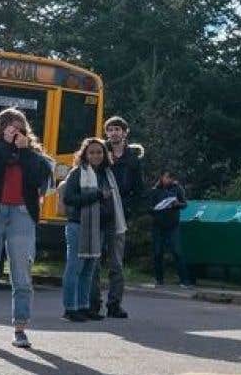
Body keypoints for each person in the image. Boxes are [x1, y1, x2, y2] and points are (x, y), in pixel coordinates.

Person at [0, 108, 54, 349]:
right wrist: (5, 145)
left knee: (22, 275)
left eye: (20, 129)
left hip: (22, 214)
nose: (16, 132)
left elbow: (39, 177)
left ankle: (20, 329)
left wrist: (24, 150)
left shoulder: (34, 154)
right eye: (10, 128)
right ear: (1, 129)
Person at [58, 137, 125, 322]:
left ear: (105, 154)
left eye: (99, 152)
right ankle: (70, 308)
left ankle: (84, 306)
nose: (96, 155)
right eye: (92, 152)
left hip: (98, 228)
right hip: (78, 226)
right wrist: (96, 194)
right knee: (75, 268)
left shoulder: (107, 175)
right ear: (85, 155)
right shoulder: (77, 173)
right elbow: (69, 199)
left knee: (89, 269)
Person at [91, 115, 144, 319]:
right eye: (110, 129)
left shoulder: (133, 159)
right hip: (98, 212)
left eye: (117, 129)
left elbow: (139, 190)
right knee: (93, 261)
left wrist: (129, 209)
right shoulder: (98, 153)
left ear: (125, 132)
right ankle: (94, 303)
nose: (114, 133)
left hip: (119, 215)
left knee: (116, 263)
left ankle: (115, 304)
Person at [145, 168, 192, 287]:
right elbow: (148, 207)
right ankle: (159, 279)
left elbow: (184, 204)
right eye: (166, 177)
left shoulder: (177, 188)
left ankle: (184, 280)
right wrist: (156, 209)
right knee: (157, 252)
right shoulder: (155, 190)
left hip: (173, 225)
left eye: (170, 178)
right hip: (158, 225)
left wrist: (177, 204)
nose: (168, 180)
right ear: (161, 177)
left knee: (177, 252)